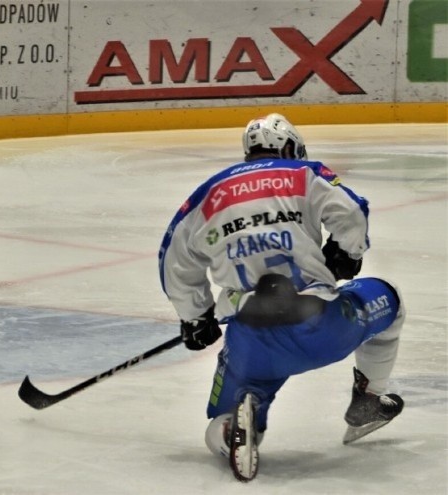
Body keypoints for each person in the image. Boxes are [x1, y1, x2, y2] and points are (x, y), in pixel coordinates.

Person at [158, 113, 405, 482]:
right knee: (391, 300)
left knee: (219, 422)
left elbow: (174, 258)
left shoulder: (207, 195)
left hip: (250, 341)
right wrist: (346, 253)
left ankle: (237, 426)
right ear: (290, 147)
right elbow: (352, 212)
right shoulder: (305, 173)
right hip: (321, 325)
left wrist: (196, 316)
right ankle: (368, 399)